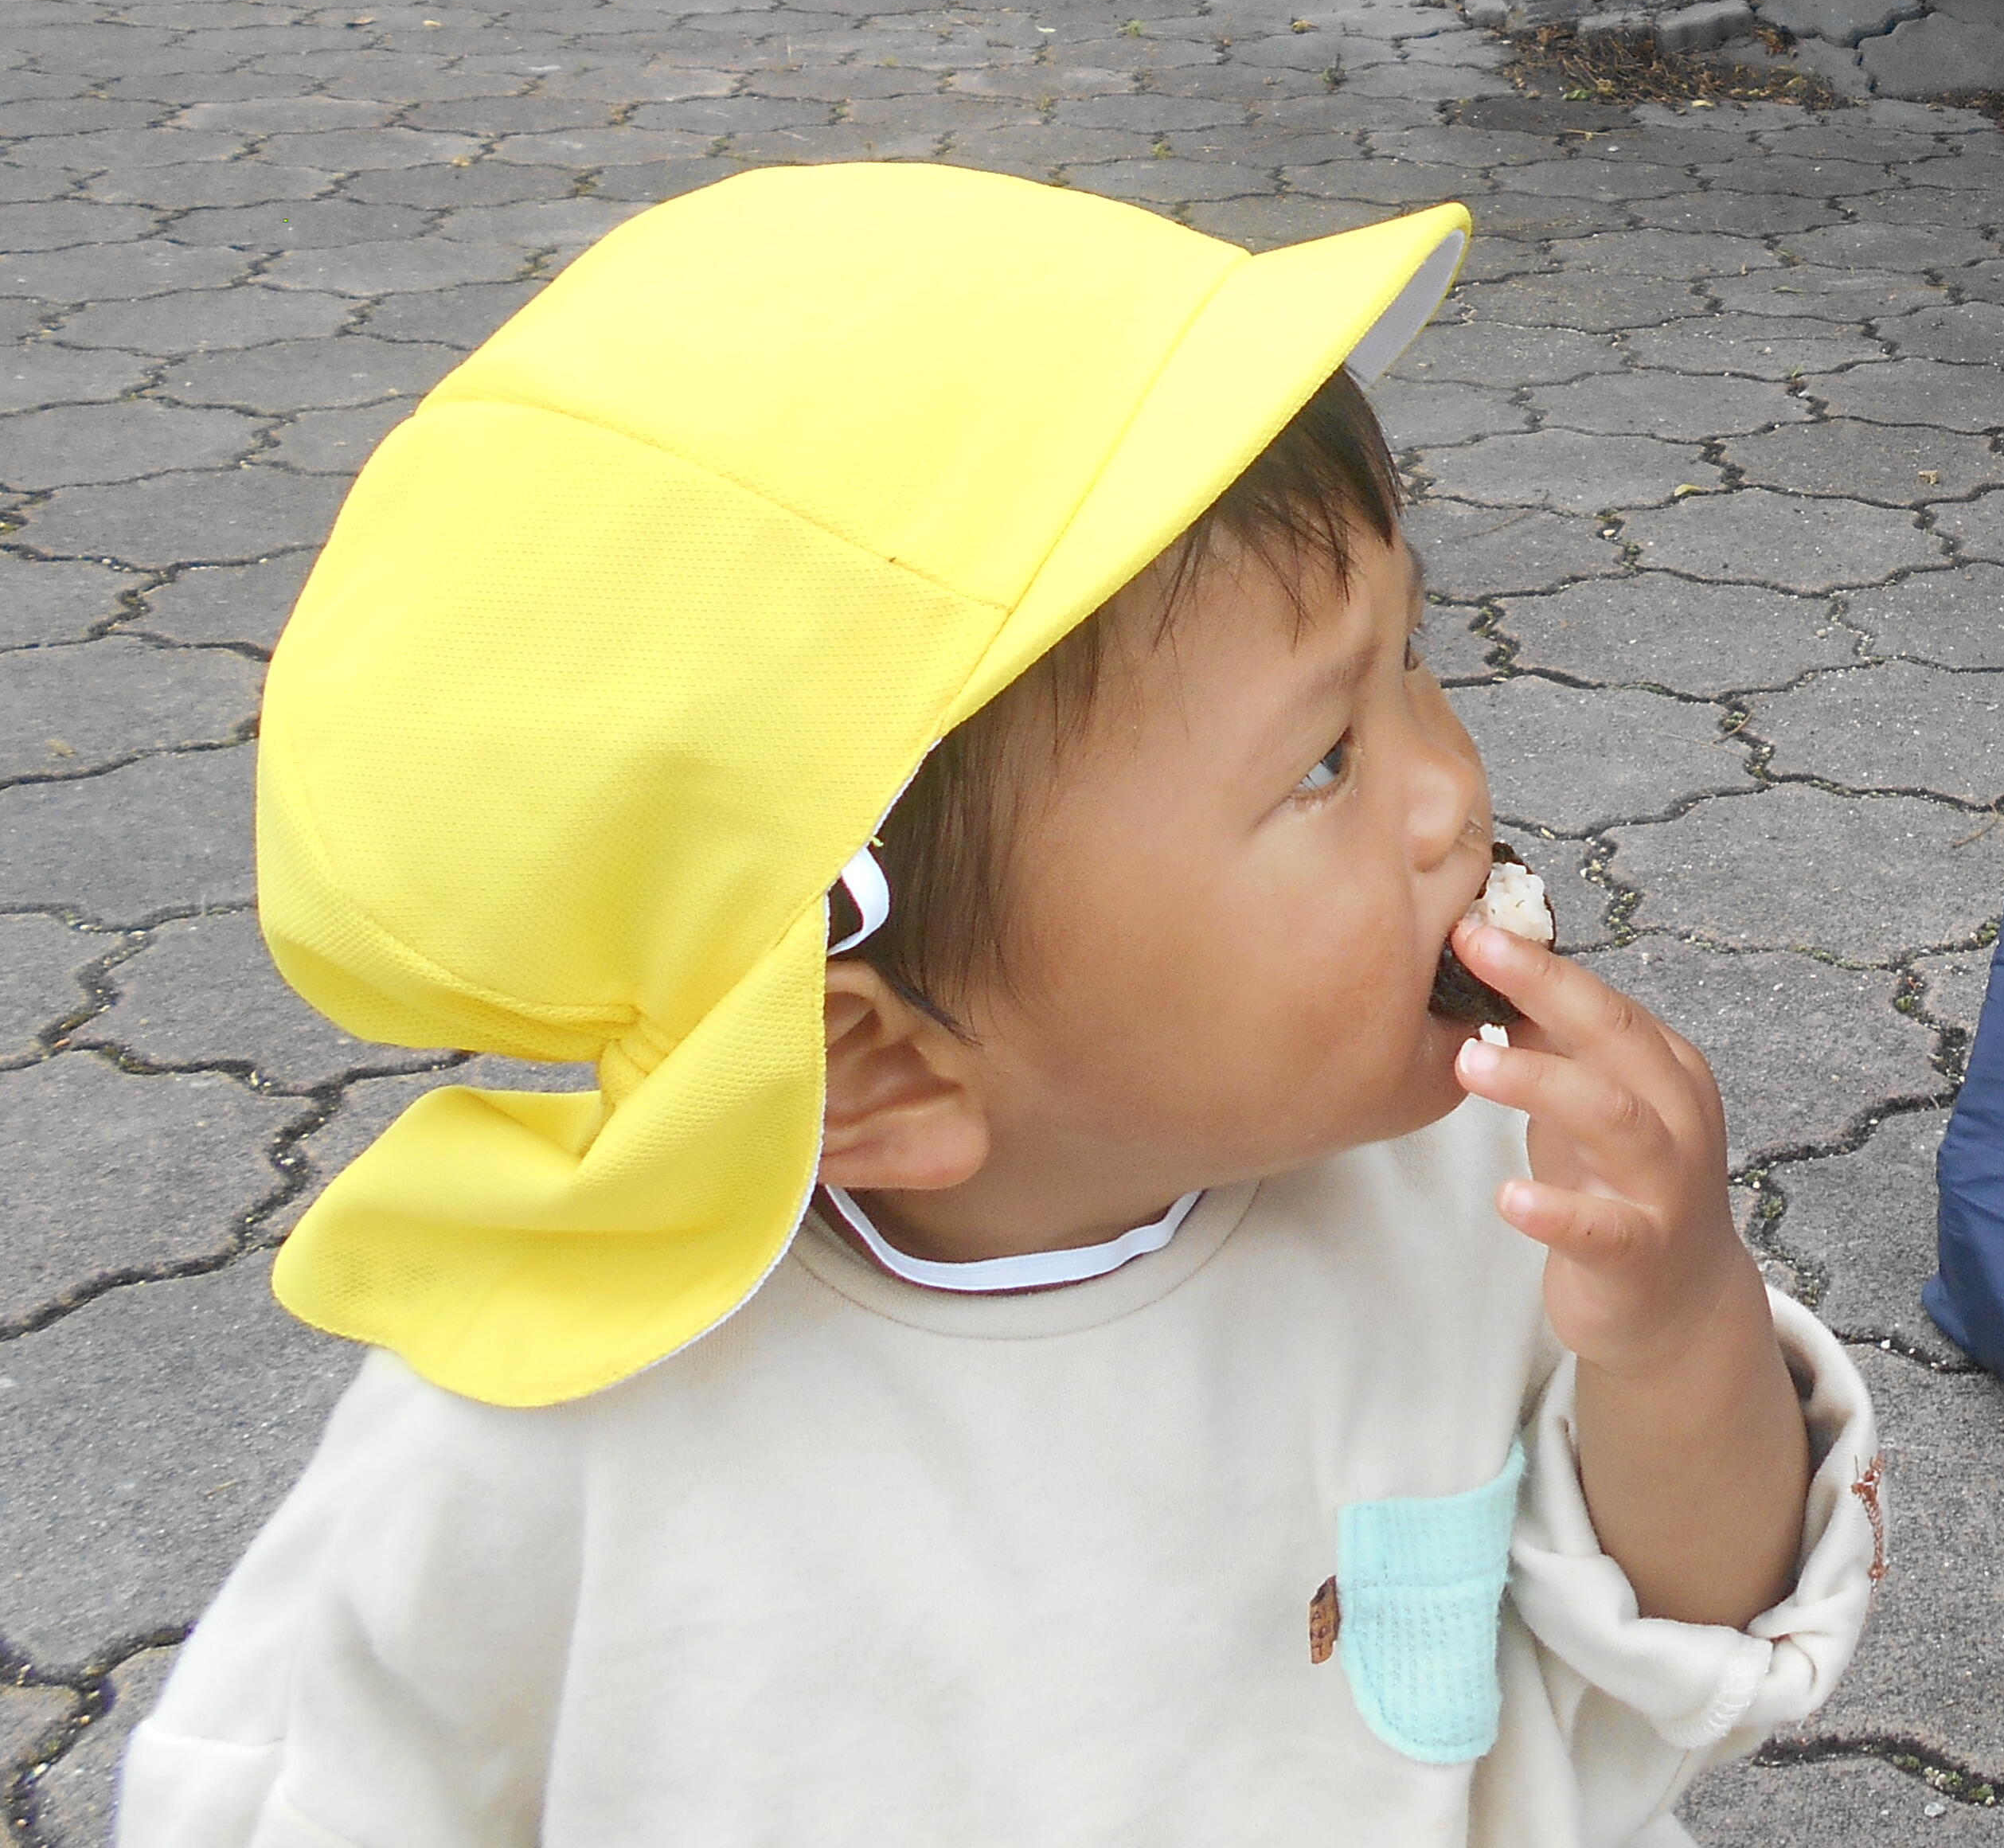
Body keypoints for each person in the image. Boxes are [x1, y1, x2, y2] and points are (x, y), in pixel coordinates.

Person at [120, 165, 1880, 1846]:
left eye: (1410, 654)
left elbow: (1700, 1626)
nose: (1444, 798)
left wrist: (1672, 1317)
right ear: (881, 1061)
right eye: (1325, 761)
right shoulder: (542, 1431)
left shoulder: (1486, 1203)